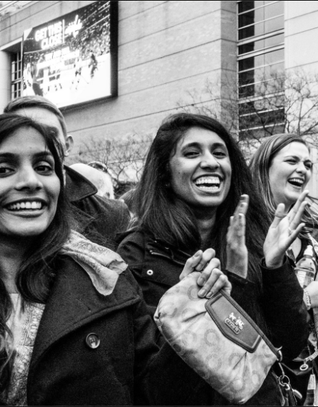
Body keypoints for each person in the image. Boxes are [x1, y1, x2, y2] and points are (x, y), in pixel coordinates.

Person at [0, 113, 232, 404]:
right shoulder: (134, 252)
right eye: (5, 169)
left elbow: (155, 394)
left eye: (43, 167)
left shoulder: (107, 276)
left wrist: (190, 320)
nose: (31, 181)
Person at [116, 113, 309, 404]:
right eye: (192, 153)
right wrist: (189, 311)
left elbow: (289, 343)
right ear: (166, 174)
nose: (210, 162)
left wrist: (274, 268)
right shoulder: (137, 254)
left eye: (220, 153)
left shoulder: (254, 238)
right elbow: (153, 388)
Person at [249, 133, 318, 405]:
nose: (302, 169)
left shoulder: (310, 239)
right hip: (260, 380)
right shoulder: (242, 231)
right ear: (264, 167)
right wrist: (307, 299)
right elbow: (242, 311)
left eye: (307, 164)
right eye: (291, 160)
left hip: (302, 373)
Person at [4, 96, 130, 250]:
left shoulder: (112, 215)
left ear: (67, 145)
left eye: (49, 133)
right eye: (21, 132)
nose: (37, 141)